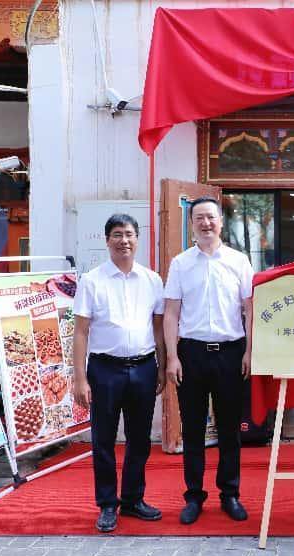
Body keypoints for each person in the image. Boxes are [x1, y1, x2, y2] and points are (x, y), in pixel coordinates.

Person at [72, 214, 166, 533]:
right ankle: (107, 504)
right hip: (104, 370)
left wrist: (162, 366)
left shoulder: (152, 280)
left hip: (144, 367)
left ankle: (133, 500)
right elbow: (81, 332)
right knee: (103, 440)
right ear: (107, 240)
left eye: (128, 234)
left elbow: (158, 327)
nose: (123, 240)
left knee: (139, 439)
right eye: (117, 234)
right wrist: (80, 378)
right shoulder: (92, 280)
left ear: (137, 239)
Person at [163, 196, 254, 524]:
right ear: (192, 223)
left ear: (221, 222)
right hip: (192, 354)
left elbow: (250, 309)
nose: (206, 223)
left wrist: (249, 351)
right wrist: (172, 356)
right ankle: (194, 496)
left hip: (231, 353)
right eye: (199, 217)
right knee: (193, 429)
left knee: (230, 429)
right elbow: (171, 313)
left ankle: (230, 494)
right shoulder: (180, 264)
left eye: (211, 217)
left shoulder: (239, 261)